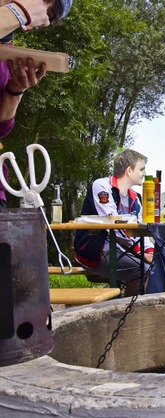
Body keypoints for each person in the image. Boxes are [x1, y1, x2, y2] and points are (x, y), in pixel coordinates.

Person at [0, 0, 73, 207]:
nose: (42, 15)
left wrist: (15, 90)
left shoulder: (7, 52)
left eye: (48, 13)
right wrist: (19, 11)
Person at [74, 149, 154, 296]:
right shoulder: (102, 186)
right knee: (143, 269)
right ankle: (128, 310)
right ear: (129, 170)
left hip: (119, 247)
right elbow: (114, 225)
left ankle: (130, 305)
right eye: (141, 169)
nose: (144, 173)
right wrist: (140, 251)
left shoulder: (135, 198)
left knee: (155, 265)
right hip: (94, 248)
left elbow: (139, 228)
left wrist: (149, 250)